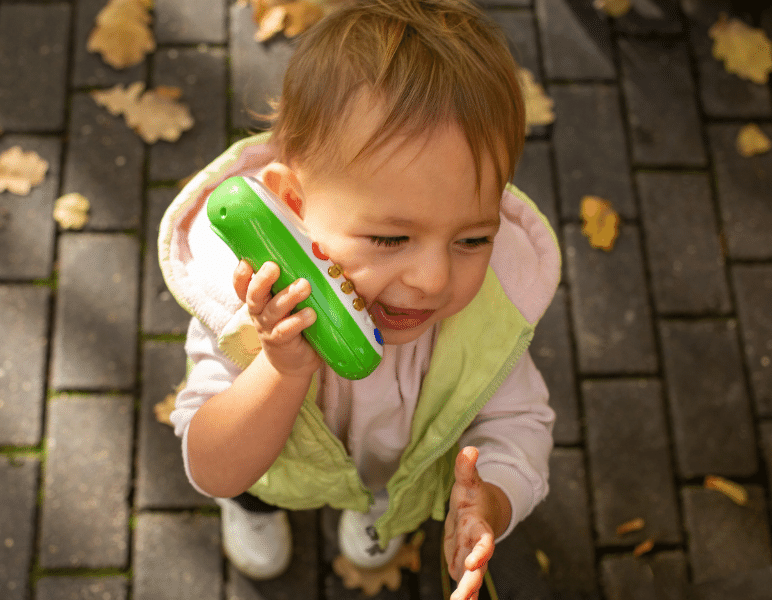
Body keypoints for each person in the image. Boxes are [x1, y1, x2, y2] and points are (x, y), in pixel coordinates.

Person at [158, 1, 559, 598]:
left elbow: (520, 425)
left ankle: (377, 511)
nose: (432, 278)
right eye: (391, 237)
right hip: (267, 467)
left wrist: (491, 503)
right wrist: (279, 364)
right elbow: (212, 467)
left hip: (392, 472)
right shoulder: (247, 306)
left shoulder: (487, 316)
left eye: (473, 238)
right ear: (292, 207)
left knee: (383, 491)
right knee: (250, 485)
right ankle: (256, 512)